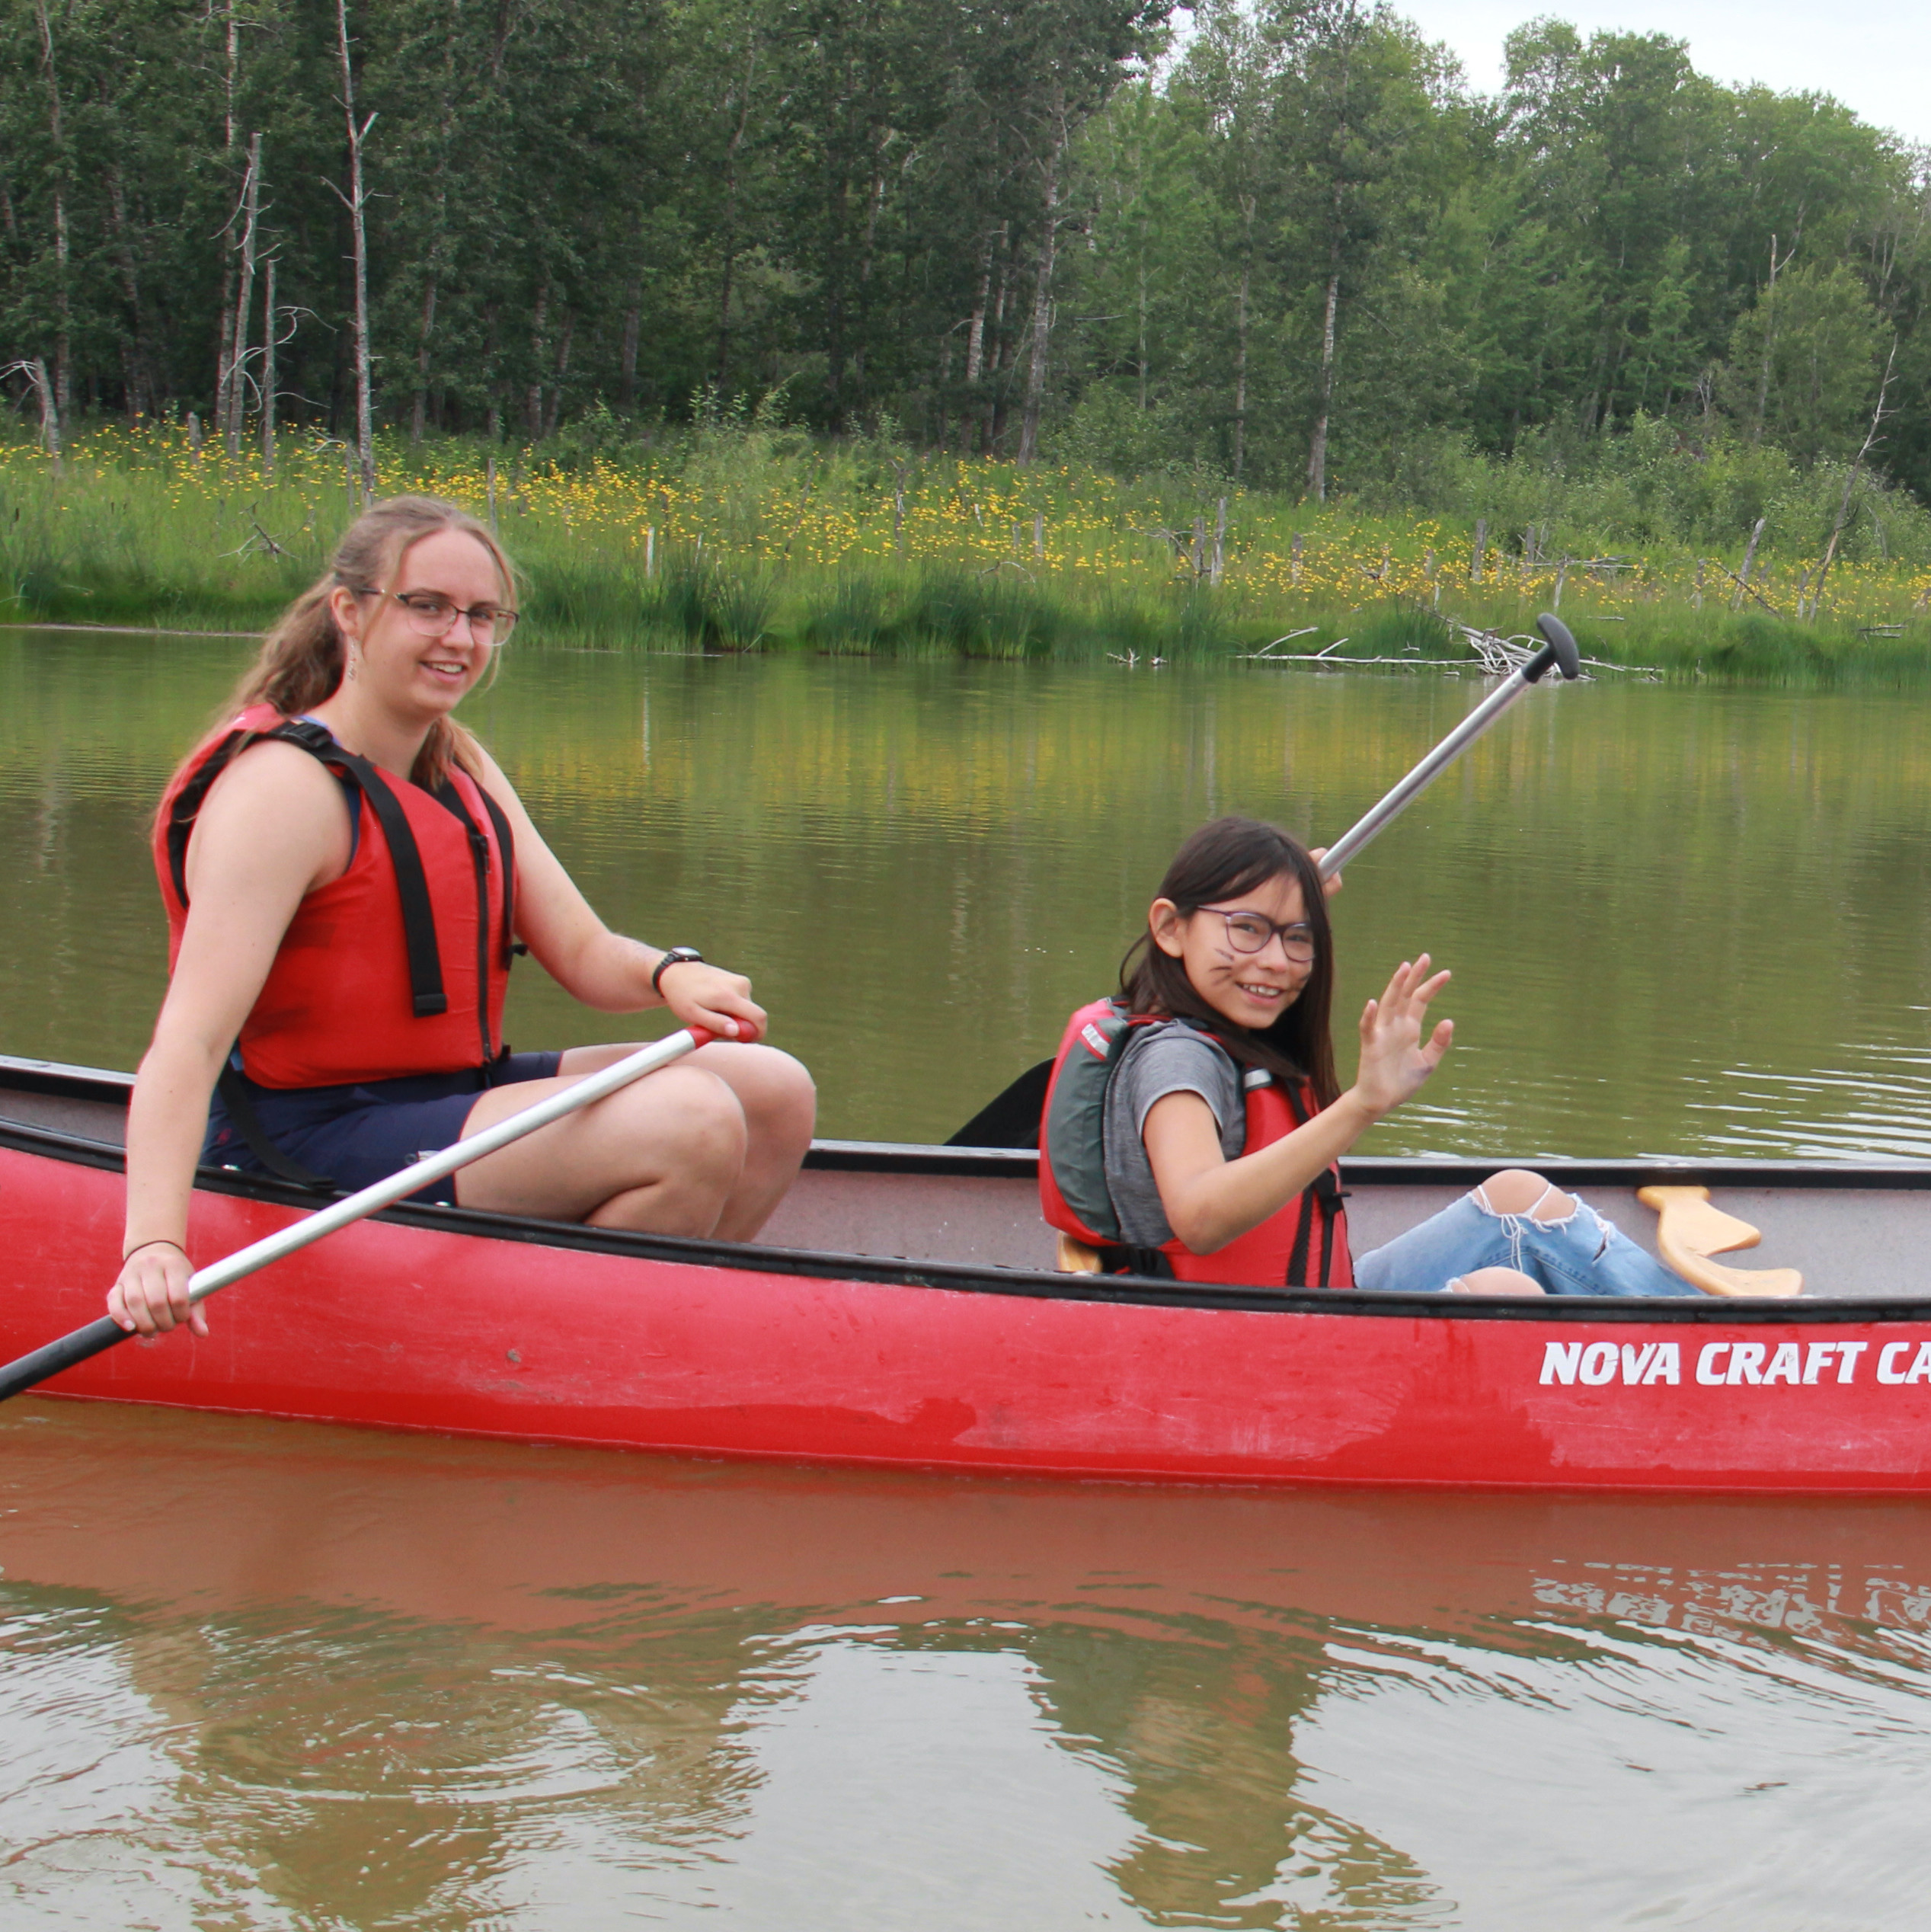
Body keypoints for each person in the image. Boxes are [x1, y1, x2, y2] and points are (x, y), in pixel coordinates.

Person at [110, 495, 815, 1339]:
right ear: (351, 611)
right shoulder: (281, 794)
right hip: (307, 1131)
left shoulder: (457, 761)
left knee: (772, 1091)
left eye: (483, 616)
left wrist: (674, 973)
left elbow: (585, 953)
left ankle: (636, 1330)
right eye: (428, 606)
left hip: (447, 1095)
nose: (460, 638)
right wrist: (153, 1240)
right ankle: (565, 1351)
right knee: (691, 1123)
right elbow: (187, 1041)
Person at [1039, 816, 1699, 1297]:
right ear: (1169, 928)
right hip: (1248, 1343)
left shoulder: (1201, 1015)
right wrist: (1362, 1103)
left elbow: (1252, 937)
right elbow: (1201, 1218)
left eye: (1298, 938)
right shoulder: (1176, 1062)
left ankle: (1714, 1340)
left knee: (1516, 1202)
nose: (1274, 961)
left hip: (1305, 1305)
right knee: (1506, 1293)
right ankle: (1727, 1356)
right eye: (1246, 929)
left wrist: (1283, 894)